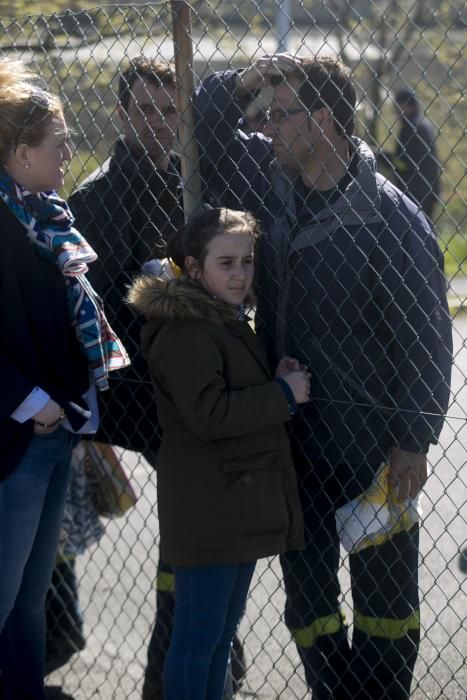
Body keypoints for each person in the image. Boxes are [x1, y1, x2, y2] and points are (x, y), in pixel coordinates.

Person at [196, 54, 453, 699]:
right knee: (308, 612)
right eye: (266, 113)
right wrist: (248, 81)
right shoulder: (270, 188)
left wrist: (413, 439)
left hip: (373, 454)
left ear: (323, 121)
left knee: (388, 615)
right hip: (294, 448)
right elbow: (206, 128)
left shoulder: (392, 220)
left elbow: (425, 340)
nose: (268, 126)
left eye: (280, 115)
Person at [69, 56, 246, 698]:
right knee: (191, 534)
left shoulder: (194, 189)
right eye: (145, 109)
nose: (159, 122)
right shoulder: (92, 201)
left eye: (171, 111)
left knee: (196, 537)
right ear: (120, 114)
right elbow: (94, 315)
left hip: (197, 391)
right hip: (146, 398)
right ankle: (173, 673)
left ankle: (195, 659)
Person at [127, 207, 308, 700]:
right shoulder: (185, 327)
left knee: (220, 636)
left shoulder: (223, 318)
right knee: (197, 638)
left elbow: (227, 389)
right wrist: (284, 395)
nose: (240, 273)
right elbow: (208, 413)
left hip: (230, 499)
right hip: (209, 504)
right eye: (225, 262)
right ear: (192, 265)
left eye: (247, 261)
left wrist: (274, 379)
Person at [0, 58, 128, 699]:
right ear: (21, 152)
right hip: (17, 441)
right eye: (58, 142)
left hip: (57, 434)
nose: (71, 150)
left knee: (28, 603)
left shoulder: (49, 216)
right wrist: (34, 403)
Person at [384, 88, 441, 219]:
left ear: (407, 106)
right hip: (428, 190)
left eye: (398, 105)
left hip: (414, 191)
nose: (396, 110)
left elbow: (403, 162)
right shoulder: (423, 124)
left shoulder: (410, 127)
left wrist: (382, 157)